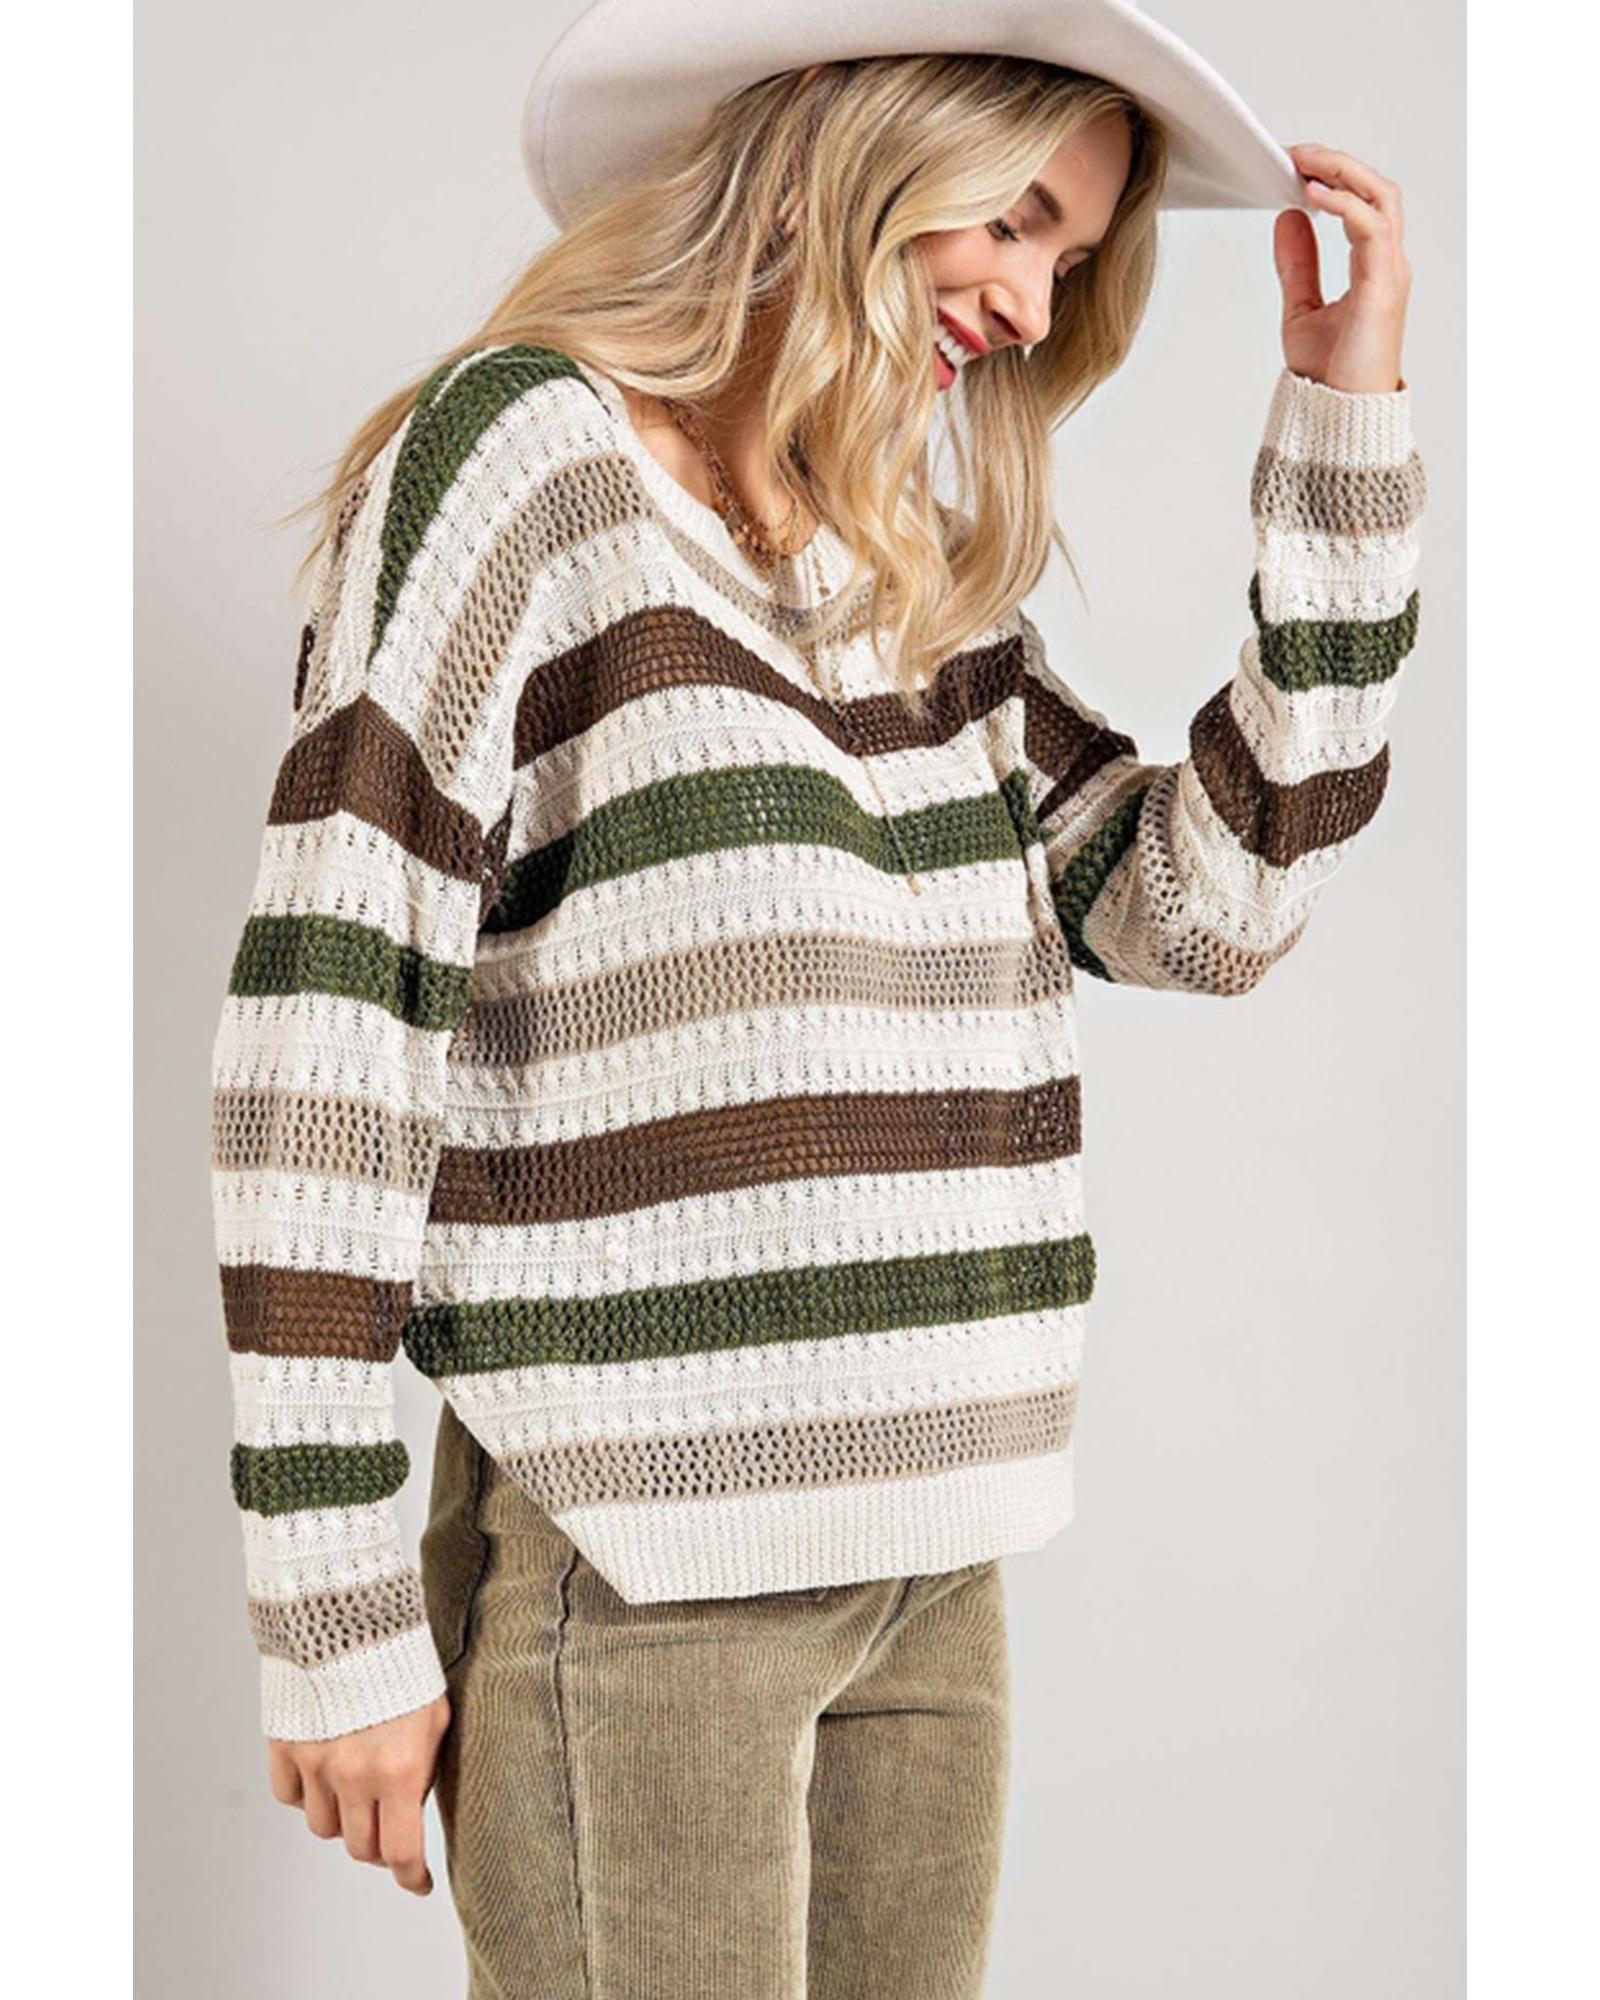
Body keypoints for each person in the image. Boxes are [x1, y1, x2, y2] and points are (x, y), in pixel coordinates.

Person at [208, 6, 1422, 1995]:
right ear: (850, 148)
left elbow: (1206, 905)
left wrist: (1340, 424)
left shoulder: (900, 560)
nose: (1029, 304)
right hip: (644, 1559)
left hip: (937, 1561)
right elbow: (329, 1029)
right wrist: (334, 1613)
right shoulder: (527, 456)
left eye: (1070, 257)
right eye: (1010, 219)